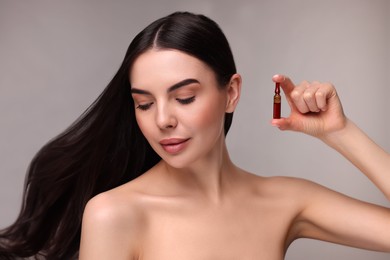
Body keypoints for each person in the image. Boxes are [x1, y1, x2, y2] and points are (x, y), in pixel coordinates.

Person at [0, 11, 389, 260]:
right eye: (144, 104)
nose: (163, 120)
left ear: (231, 93)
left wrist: (340, 133)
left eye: (184, 97)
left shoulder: (289, 200)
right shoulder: (114, 214)